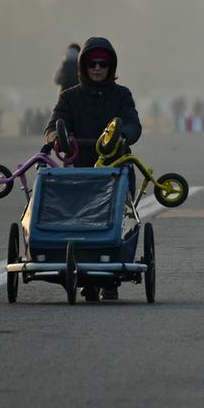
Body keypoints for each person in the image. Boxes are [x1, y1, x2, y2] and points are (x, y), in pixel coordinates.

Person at [48, 37, 143, 300]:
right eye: (92, 64)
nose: (98, 68)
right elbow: (52, 127)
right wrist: (58, 138)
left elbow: (134, 125)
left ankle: (109, 279)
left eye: (103, 64)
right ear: (83, 66)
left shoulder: (122, 95)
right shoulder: (69, 97)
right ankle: (86, 278)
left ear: (111, 66)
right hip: (80, 171)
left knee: (113, 223)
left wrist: (122, 135)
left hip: (116, 169)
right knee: (79, 224)